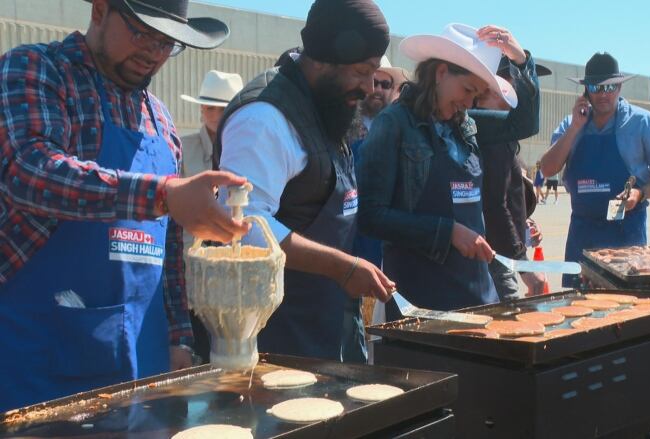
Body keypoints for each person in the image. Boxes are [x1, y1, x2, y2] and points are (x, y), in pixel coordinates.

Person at [0, 0, 250, 411]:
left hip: (143, 353)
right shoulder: (37, 71)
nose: (154, 52)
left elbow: (169, 243)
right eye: (142, 33)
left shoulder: (161, 119)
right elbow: (29, 171)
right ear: (100, 10)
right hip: (41, 352)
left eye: (167, 42)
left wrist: (179, 337)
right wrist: (163, 194)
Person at [214, 0, 395, 362]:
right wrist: (341, 266)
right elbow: (244, 224)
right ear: (324, 58)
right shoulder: (264, 118)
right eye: (362, 71)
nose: (369, 87)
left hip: (330, 321)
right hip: (280, 336)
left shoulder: (327, 103)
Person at [358, 23, 540, 320]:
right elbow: (370, 216)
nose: (469, 103)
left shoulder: (465, 123)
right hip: (421, 304)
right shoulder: (394, 125)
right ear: (441, 73)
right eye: (468, 89)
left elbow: (523, 124)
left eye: (477, 94)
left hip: (477, 296)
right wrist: (447, 232)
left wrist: (522, 61)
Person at [540, 52, 650, 287]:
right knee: (577, 313)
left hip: (626, 235)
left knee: (625, 311)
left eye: (610, 87)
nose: (604, 94)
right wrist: (575, 128)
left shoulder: (644, 123)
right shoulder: (571, 124)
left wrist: (639, 194)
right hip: (583, 234)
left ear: (620, 86)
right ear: (585, 91)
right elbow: (548, 169)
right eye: (596, 87)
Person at [345, 55, 409, 351]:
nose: (376, 88)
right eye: (372, 80)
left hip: (389, 248)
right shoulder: (344, 124)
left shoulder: (401, 129)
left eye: (384, 83)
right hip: (351, 249)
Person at [475, 55, 545, 299]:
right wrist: (523, 263)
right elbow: (495, 204)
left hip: (495, 254)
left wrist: (522, 223)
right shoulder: (492, 138)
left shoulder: (498, 136)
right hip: (496, 259)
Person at [179, 69, 243, 249]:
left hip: (237, 252)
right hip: (191, 252)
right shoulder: (182, 148)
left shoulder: (248, 150)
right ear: (201, 109)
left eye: (223, 109)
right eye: (210, 108)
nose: (215, 116)